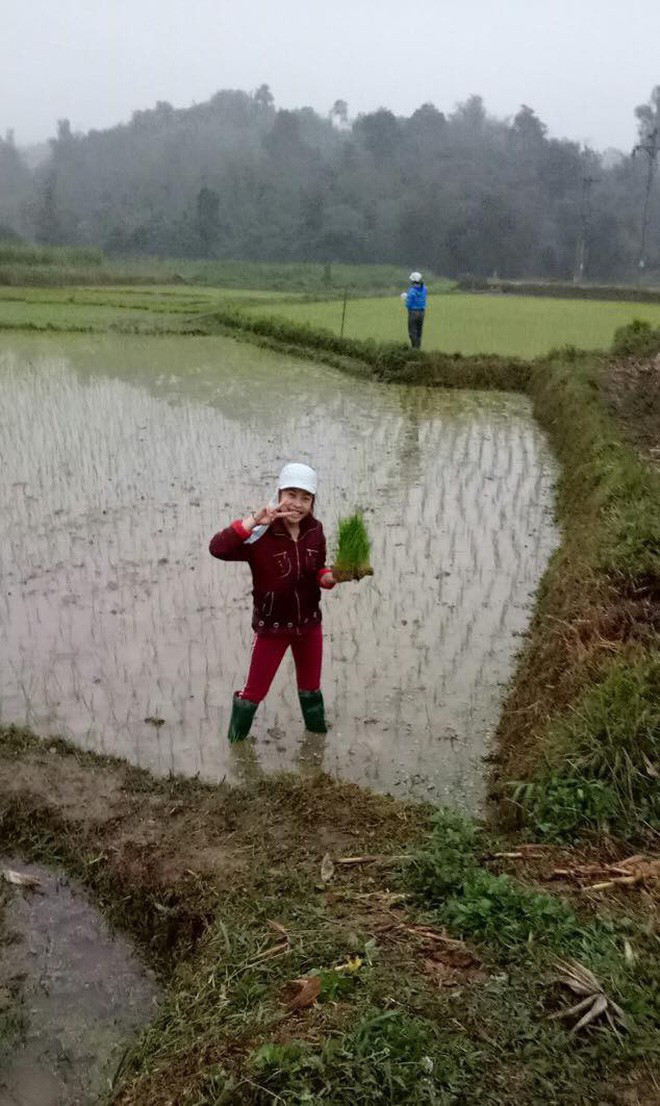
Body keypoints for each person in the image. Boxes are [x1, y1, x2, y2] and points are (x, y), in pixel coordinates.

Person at [209, 462, 338, 743]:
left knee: (311, 689)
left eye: (306, 498)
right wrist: (256, 519)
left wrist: (331, 577)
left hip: (309, 626)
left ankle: (317, 744)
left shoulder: (315, 530)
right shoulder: (260, 535)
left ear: (312, 502)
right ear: (279, 494)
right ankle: (235, 745)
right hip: (272, 628)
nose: (298, 504)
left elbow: (319, 570)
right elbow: (217, 548)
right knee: (253, 693)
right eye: (291, 495)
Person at [402, 271, 427, 348]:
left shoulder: (411, 291)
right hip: (422, 312)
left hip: (413, 313)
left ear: (413, 281)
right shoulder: (424, 289)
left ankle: (414, 348)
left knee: (412, 332)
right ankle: (418, 348)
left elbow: (408, 304)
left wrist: (406, 298)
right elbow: (419, 294)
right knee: (419, 332)